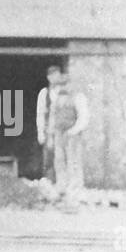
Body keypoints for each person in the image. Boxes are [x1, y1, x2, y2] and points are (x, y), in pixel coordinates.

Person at [36, 65, 89, 205]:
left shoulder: (78, 97)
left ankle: (75, 190)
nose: (62, 88)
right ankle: (62, 187)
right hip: (59, 134)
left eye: (65, 84)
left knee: (74, 162)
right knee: (59, 161)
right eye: (60, 85)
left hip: (72, 135)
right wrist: (50, 133)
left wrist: (73, 131)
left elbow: (83, 117)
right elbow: (52, 116)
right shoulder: (57, 99)